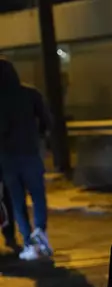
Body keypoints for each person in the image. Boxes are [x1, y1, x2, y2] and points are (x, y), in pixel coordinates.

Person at [0, 59, 53, 260]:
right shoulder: (31, 93)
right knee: (38, 195)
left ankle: (28, 244)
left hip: (7, 158)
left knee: (17, 201)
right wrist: (37, 136)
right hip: (30, 153)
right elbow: (48, 121)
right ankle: (40, 230)